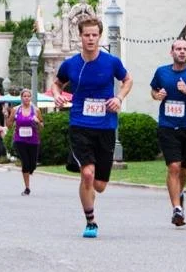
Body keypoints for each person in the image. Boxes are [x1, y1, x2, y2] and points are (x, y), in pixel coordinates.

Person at [54, 16, 132, 238]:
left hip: (106, 125)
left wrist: (119, 97)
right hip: (79, 124)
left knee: (99, 185)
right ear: (80, 36)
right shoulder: (70, 64)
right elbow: (57, 83)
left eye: (94, 35)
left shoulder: (111, 62)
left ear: (100, 36)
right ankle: (90, 221)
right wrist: (58, 95)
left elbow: (128, 80)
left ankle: (91, 195)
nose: (90, 39)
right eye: (86, 35)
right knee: (87, 174)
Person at [150, 38, 186, 227]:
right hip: (167, 126)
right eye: (178, 49)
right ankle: (177, 208)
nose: (182, 52)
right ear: (172, 52)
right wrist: (157, 95)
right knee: (173, 167)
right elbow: (154, 90)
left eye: (185, 49)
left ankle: (179, 192)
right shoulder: (162, 72)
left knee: (184, 169)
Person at [7, 89, 42, 195]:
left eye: (28, 96)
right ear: (21, 98)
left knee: (33, 165)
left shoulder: (36, 110)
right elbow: (9, 125)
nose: (26, 98)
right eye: (24, 96)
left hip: (33, 140)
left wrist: (38, 122)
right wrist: (9, 117)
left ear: (30, 97)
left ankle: (30, 169)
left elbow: (42, 126)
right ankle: (27, 188)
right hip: (20, 140)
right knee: (25, 163)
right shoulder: (16, 110)